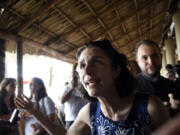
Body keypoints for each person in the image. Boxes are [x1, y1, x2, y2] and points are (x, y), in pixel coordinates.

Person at [16, 39, 170, 135]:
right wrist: (36, 112)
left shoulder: (149, 106)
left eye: (96, 62)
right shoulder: (89, 113)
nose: (87, 71)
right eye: (82, 66)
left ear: (116, 70)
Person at [59, 64, 86, 130]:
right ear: (69, 78)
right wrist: (71, 88)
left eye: (76, 77)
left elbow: (87, 98)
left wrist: (78, 87)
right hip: (70, 119)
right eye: (72, 77)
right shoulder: (66, 88)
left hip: (83, 118)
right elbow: (62, 101)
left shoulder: (83, 88)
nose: (74, 78)